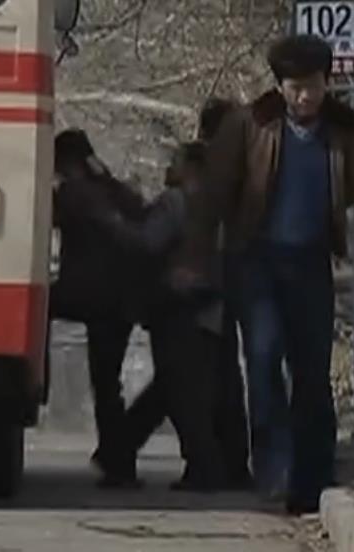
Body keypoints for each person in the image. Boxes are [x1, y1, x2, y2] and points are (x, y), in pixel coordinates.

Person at [202, 35, 354, 513]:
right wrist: (199, 258)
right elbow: (214, 194)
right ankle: (274, 469)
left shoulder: (344, 130)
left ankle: (314, 475)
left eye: (313, 86)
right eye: (295, 87)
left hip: (311, 262)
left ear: (326, 82)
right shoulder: (249, 124)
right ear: (279, 86)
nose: (305, 97)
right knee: (263, 357)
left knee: (312, 370)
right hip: (255, 260)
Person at [109, 141, 227, 491]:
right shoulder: (220, 206)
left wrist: (115, 224)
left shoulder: (175, 202)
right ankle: (125, 451)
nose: (168, 168)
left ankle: (197, 463)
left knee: (178, 390)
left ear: (192, 168)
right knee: (179, 388)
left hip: (176, 305)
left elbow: (148, 242)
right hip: (209, 307)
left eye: (176, 161)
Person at [50, 128, 147, 488]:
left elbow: (48, 215)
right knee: (108, 383)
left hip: (91, 296)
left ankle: (118, 460)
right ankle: (118, 459)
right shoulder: (116, 190)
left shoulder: (74, 193)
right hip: (120, 300)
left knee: (104, 383)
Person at [198, 97, 253, 488]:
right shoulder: (239, 168)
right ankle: (231, 460)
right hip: (227, 282)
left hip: (210, 286)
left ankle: (225, 461)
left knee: (214, 375)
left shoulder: (211, 172)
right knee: (223, 373)